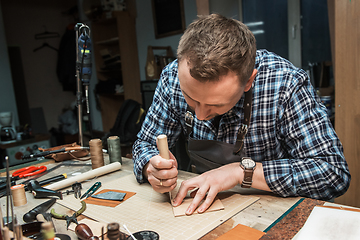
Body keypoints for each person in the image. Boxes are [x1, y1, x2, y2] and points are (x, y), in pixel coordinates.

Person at [132, 14, 350, 215]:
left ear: (249, 81)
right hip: (201, 211)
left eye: (215, 104)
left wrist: (241, 173)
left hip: (268, 210)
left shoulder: (285, 84)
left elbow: (332, 172)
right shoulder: (173, 77)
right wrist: (150, 166)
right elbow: (144, 143)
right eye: (191, 98)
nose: (199, 115)